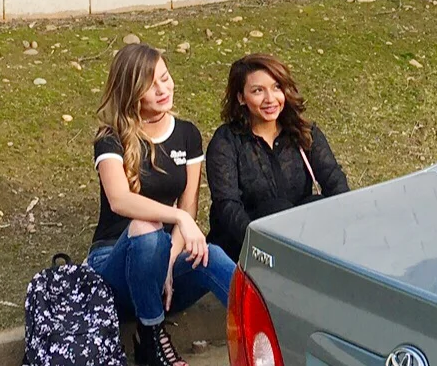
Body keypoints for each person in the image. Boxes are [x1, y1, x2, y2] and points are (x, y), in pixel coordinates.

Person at [86, 42, 233, 366]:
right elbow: (120, 200)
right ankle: (151, 339)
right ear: (131, 92)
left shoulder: (187, 134)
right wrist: (178, 218)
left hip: (164, 264)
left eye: (165, 78)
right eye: (150, 85)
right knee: (145, 227)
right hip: (113, 270)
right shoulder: (110, 137)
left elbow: (189, 206)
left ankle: (273, 330)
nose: (163, 89)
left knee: (211, 254)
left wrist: (167, 263)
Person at [205, 53, 350, 261]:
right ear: (241, 97)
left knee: (316, 204)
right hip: (245, 246)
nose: (270, 99)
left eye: (276, 87)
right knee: (278, 210)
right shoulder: (227, 141)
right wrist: (261, 248)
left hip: (299, 243)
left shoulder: (304, 132)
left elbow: (334, 181)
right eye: (258, 91)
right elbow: (227, 205)